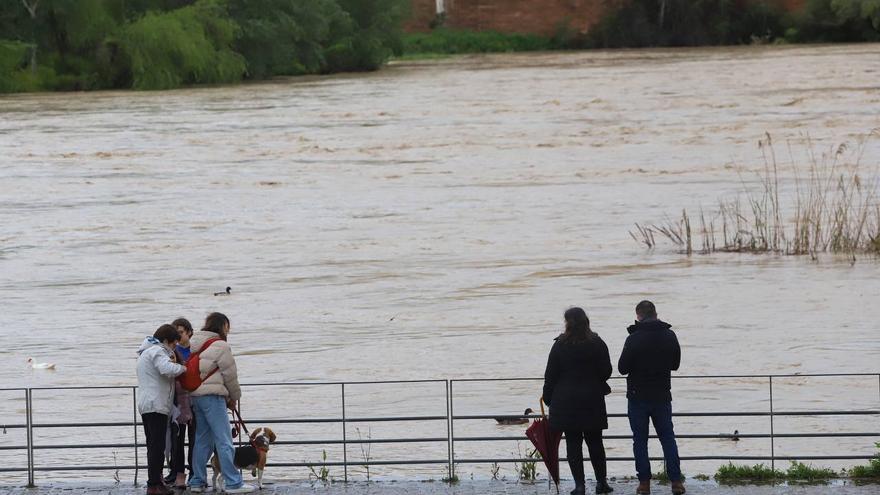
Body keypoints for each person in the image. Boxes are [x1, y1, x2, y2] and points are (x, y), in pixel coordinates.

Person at [543, 307, 614, 495]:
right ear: (586, 321)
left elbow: (550, 376)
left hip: (566, 402)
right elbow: (606, 370)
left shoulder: (560, 345)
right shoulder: (597, 343)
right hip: (592, 399)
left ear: (567, 323)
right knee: (595, 443)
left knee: (573, 444)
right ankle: (601, 483)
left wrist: (548, 399)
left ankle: (580, 486)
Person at [618, 301, 684, 495]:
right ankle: (676, 482)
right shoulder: (669, 335)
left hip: (637, 396)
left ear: (638, 316)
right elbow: (675, 364)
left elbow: (622, 368)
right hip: (662, 395)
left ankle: (644, 484)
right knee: (667, 438)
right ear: (655, 314)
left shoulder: (633, 338)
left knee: (640, 441)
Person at [187, 312, 254, 493]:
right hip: (213, 397)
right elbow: (230, 374)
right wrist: (234, 397)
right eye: (227, 326)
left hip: (196, 396)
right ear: (223, 326)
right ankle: (233, 483)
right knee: (224, 440)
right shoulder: (221, 345)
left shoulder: (195, 343)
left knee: (202, 440)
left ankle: (197, 481)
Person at [136, 324, 186, 495]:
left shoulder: (145, 352)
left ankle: (156, 483)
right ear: (166, 340)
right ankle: (154, 485)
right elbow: (166, 369)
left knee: (153, 446)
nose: (174, 348)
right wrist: (183, 368)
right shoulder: (157, 351)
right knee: (157, 447)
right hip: (156, 405)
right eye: (173, 344)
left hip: (147, 404)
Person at [165, 317, 195, 488]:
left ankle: (194, 472)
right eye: (176, 333)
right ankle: (176, 472)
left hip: (194, 399)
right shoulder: (171, 351)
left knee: (194, 440)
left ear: (189, 332)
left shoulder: (196, 350)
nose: (178, 336)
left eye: (181, 332)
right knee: (176, 440)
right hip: (176, 400)